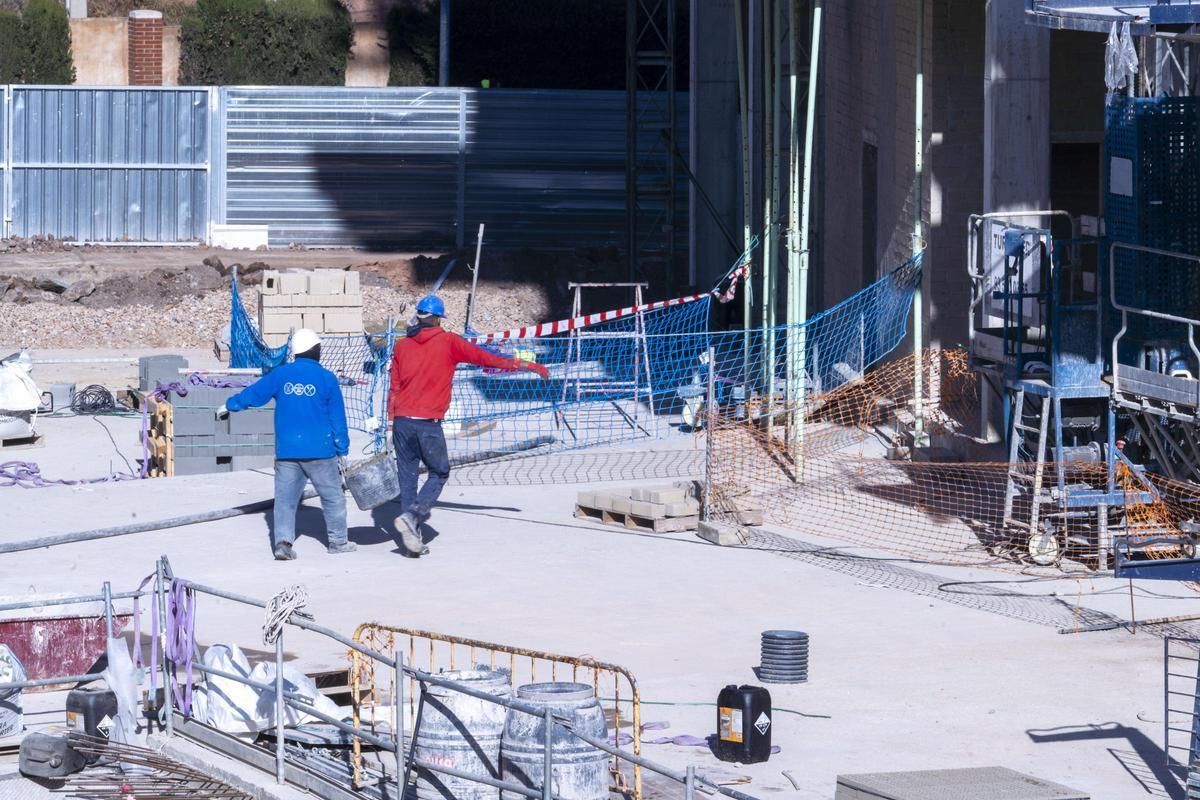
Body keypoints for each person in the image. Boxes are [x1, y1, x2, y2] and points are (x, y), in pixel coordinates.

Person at [389, 295, 549, 556]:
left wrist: (389, 421)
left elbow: (394, 386)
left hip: (402, 423)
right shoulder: (449, 342)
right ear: (439, 318)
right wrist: (526, 364)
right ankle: (414, 516)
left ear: (418, 317)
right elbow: (487, 358)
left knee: (406, 479)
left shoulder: (402, 346)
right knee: (439, 472)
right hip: (427, 424)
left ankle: (411, 543)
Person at [217, 328, 353, 561]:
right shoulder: (327, 378)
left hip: (288, 451)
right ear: (315, 351)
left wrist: (230, 405)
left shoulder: (281, 375)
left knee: (285, 501)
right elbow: (337, 418)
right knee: (332, 498)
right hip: (321, 451)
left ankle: (282, 543)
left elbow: (255, 394)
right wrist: (342, 449)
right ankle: (338, 542)